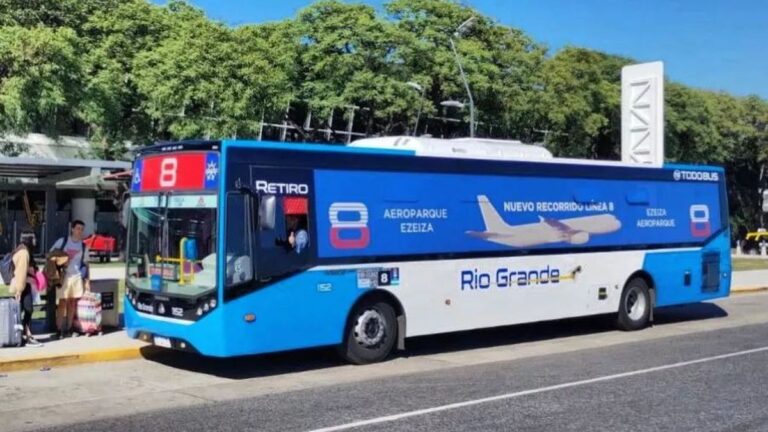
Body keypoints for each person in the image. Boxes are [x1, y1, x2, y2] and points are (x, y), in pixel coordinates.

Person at [50, 220, 91, 338]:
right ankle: (59, 329)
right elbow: (51, 255)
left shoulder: (83, 246)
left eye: (82, 229)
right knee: (62, 302)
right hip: (64, 276)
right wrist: (62, 261)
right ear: (72, 229)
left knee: (72, 302)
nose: (80, 231)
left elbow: (86, 263)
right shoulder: (62, 241)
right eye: (78, 228)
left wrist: (87, 280)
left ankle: (69, 328)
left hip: (77, 276)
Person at [10, 231, 43, 347]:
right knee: (28, 309)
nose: (35, 240)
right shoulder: (24, 253)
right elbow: (21, 273)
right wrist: (19, 291)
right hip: (22, 286)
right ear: (28, 239)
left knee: (25, 310)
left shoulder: (23, 250)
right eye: (33, 238)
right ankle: (27, 336)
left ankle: (24, 335)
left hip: (24, 285)